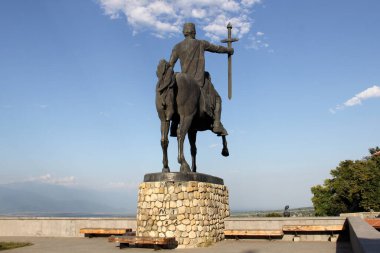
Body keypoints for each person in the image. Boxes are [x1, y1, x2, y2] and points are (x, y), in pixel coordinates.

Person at [168, 22, 233, 136]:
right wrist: (228, 50)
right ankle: (216, 124)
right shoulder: (201, 43)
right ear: (194, 32)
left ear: (184, 32)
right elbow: (216, 48)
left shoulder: (177, 47)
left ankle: (174, 125)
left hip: (185, 82)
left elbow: (170, 65)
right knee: (218, 99)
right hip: (198, 82)